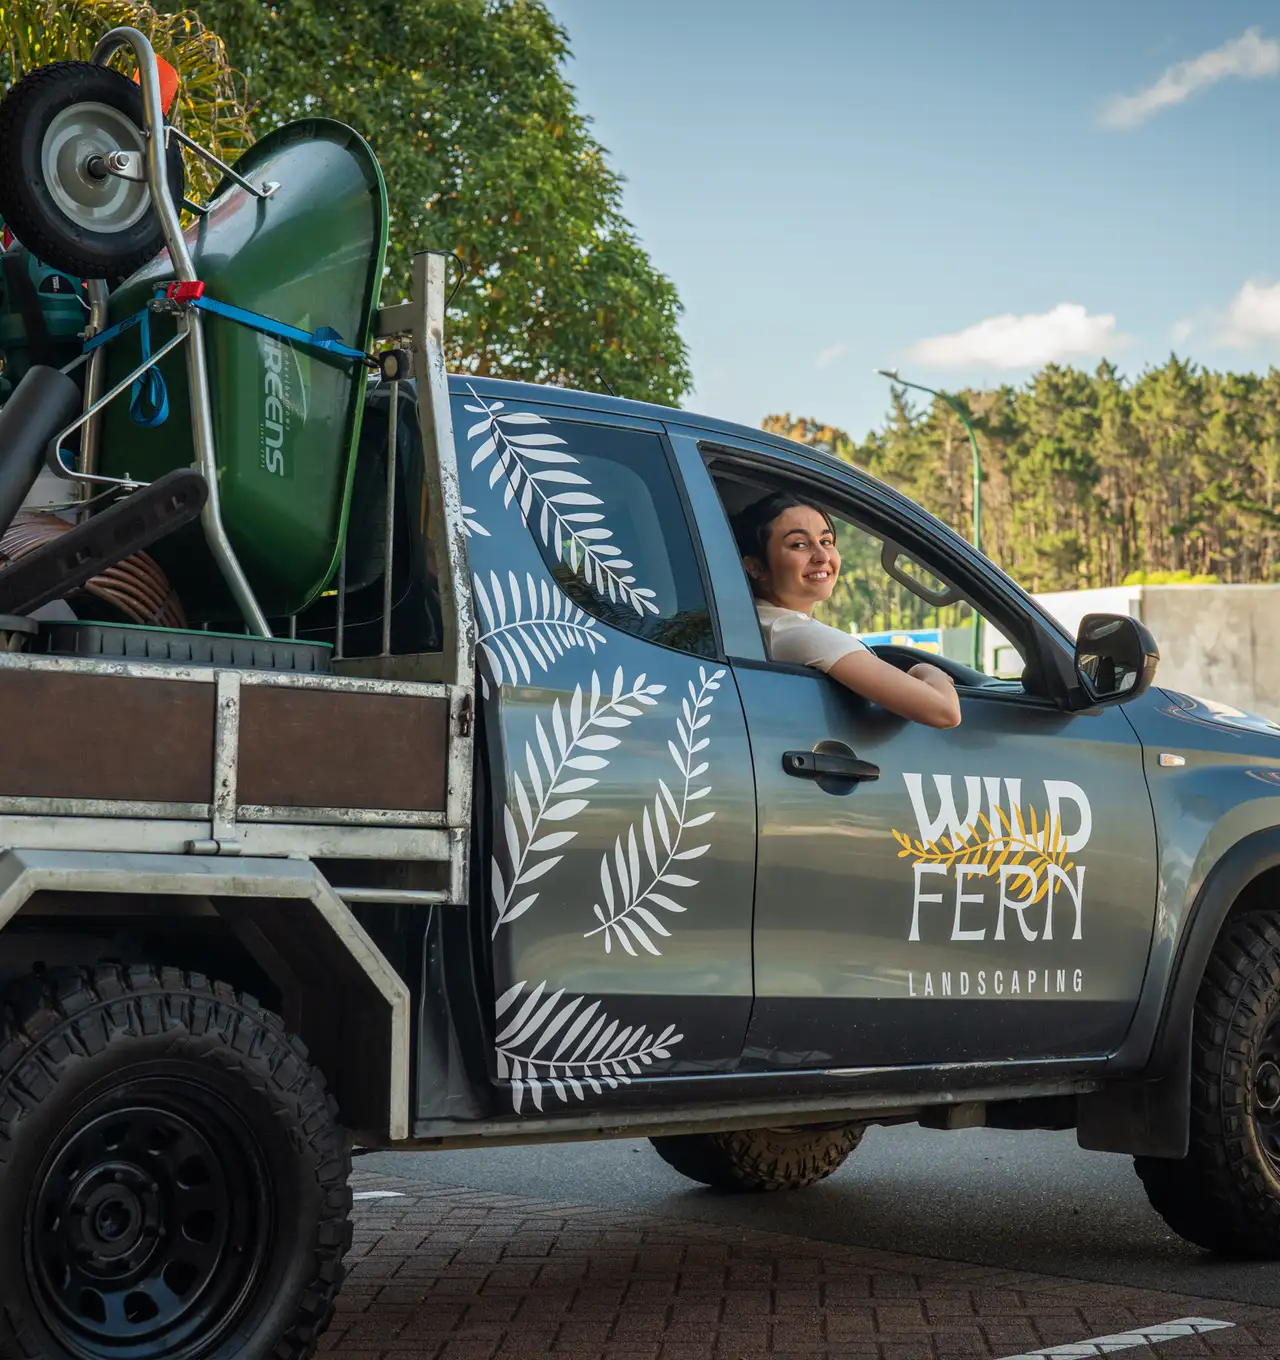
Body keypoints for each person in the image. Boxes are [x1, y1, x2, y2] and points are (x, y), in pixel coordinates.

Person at [731, 491, 961, 729]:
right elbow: (945, 712)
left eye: (826, 541)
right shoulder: (793, 632)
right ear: (756, 567)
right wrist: (927, 671)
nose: (821, 556)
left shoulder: (757, 622)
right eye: (799, 545)